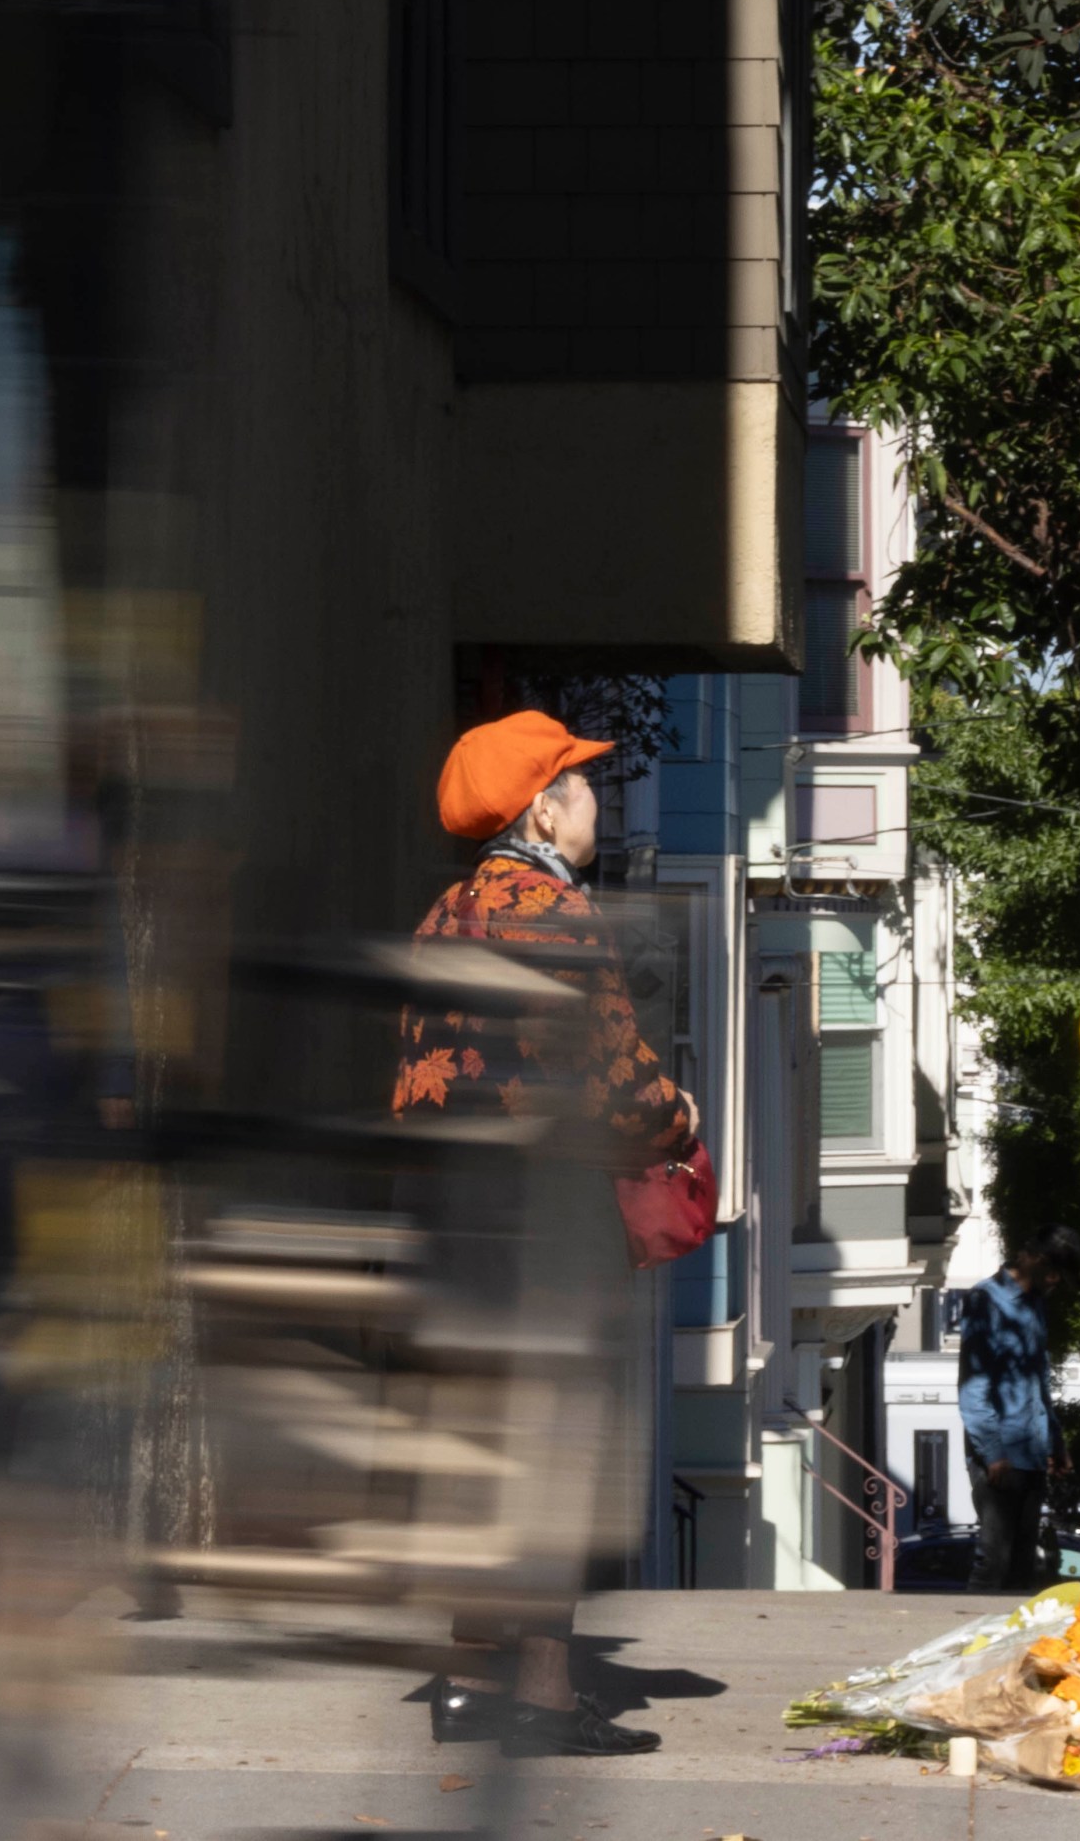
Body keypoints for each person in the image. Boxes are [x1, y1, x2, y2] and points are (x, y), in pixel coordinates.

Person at [391, 710, 700, 1757]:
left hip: (454, 1221)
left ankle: (466, 1685)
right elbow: (617, 1088)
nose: (593, 804)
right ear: (539, 806)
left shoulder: (441, 915)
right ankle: (541, 1692)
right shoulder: (557, 914)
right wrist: (679, 1115)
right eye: (578, 784)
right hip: (548, 1224)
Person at [957, 1230, 1080, 1592]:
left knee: (1024, 1564)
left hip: (1032, 1452)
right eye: (1056, 1274)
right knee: (994, 1559)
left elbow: (1038, 1381)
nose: (1056, 1285)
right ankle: (974, 1640)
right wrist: (992, 1454)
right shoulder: (986, 1301)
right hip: (999, 1458)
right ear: (1038, 1260)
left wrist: (1055, 1442)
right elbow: (973, 1387)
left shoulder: (1034, 1303)